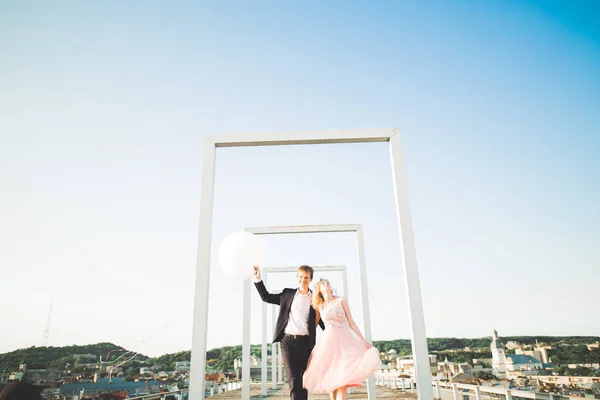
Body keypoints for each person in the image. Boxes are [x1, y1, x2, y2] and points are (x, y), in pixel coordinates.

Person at [253, 265, 325, 400]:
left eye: (306, 278)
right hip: (288, 342)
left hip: (306, 343)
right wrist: (258, 278)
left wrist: (339, 333)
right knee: (293, 378)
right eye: (301, 277)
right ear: (297, 277)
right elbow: (266, 297)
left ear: (310, 279)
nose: (303, 280)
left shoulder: (315, 299)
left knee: (304, 379)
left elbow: (323, 322)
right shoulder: (287, 294)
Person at [302, 278, 380, 400]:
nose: (326, 284)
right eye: (323, 283)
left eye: (328, 282)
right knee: (331, 376)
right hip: (328, 342)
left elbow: (351, 322)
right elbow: (314, 327)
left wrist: (363, 341)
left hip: (345, 341)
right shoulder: (319, 306)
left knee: (342, 377)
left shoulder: (341, 300)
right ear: (319, 290)